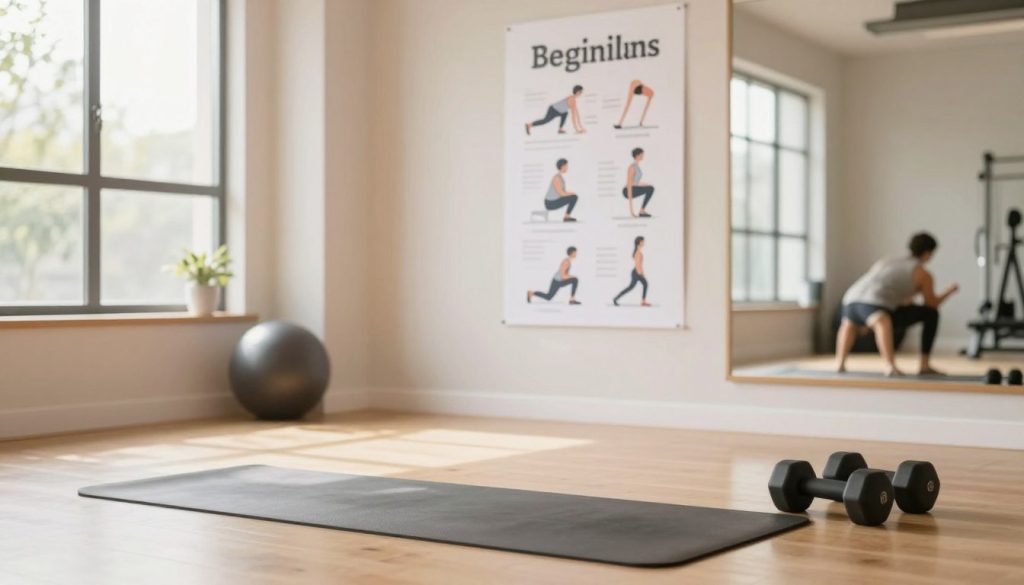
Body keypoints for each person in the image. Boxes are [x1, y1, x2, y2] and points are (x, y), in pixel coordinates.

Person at [836, 232, 959, 376]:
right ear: (928, 253)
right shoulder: (923, 274)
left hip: (850, 301)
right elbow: (931, 304)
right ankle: (899, 365)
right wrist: (949, 291)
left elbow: (891, 290)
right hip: (874, 305)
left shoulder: (888, 260)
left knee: (849, 323)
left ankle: (840, 363)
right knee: (930, 314)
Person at [613, 236, 650, 306]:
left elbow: (639, 264)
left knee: (645, 284)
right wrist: (640, 273)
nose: (644, 242)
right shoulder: (638, 253)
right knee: (631, 287)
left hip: (637, 272)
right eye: (643, 241)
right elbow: (638, 264)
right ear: (639, 242)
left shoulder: (638, 251)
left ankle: (643, 301)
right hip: (636, 273)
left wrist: (642, 272)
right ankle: (615, 298)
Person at [622, 147, 653, 218]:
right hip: (627, 190)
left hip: (633, 188)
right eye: (641, 154)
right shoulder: (632, 167)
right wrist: (631, 211)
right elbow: (629, 185)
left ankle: (642, 211)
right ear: (637, 156)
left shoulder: (637, 166)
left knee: (650, 188)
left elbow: (635, 182)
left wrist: (645, 184)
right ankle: (641, 211)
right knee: (650, 189)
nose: (643, 156)